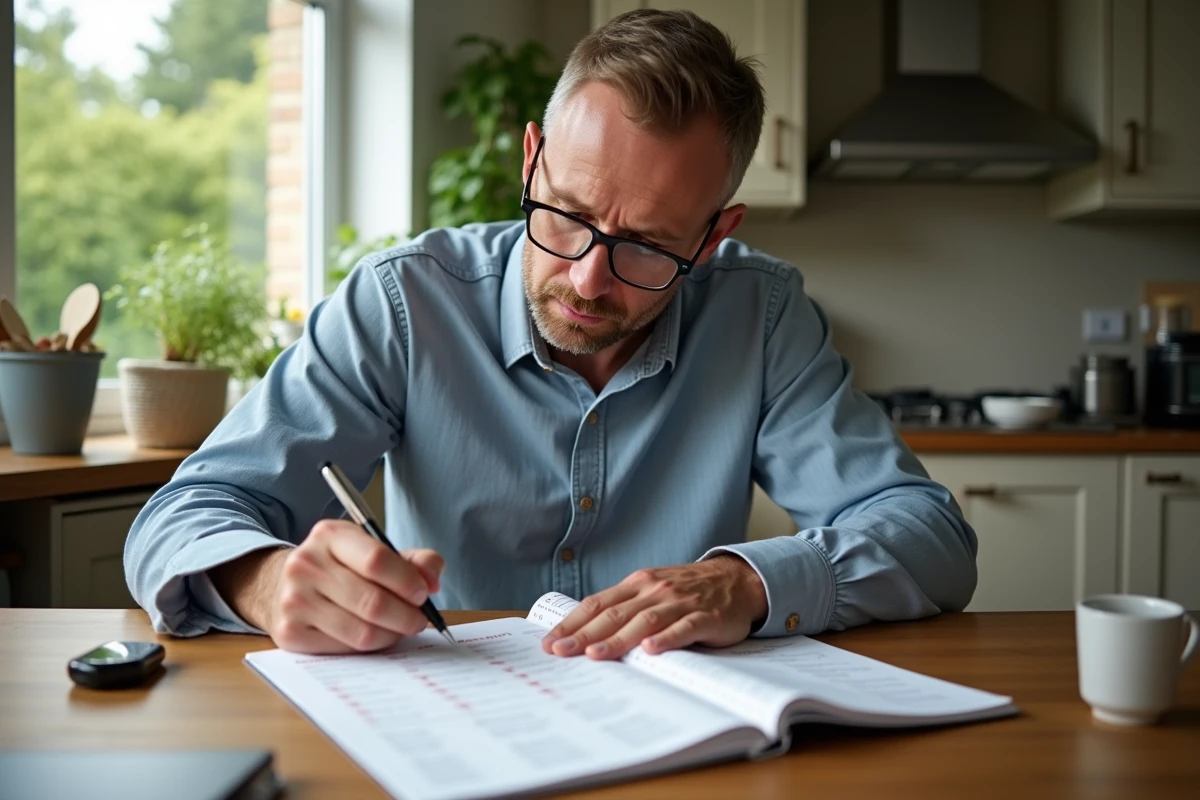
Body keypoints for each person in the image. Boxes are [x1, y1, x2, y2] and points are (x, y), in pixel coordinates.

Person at [124, 8, 977, 659]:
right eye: (566, 215)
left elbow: (931, 535)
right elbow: (182, 515)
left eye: (647, 245)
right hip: (451, 716)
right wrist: (268, 581)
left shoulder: (762, 316)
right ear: (531, 159)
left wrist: (747, 583)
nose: (588, 279)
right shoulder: (404, 302)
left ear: (714, 237)